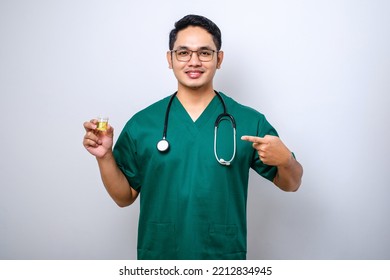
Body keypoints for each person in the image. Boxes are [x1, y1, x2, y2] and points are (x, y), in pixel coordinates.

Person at [83, 14, 303, 260]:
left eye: (205, 53)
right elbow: (124, 197)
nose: (194, 61)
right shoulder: (142, 124)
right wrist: (104, 157)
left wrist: (286, 161)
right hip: (161, 257)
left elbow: (291, 183)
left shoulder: (249, 122)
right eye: (183, 52)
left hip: (222, 259)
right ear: (170, 58)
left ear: (219, 59)